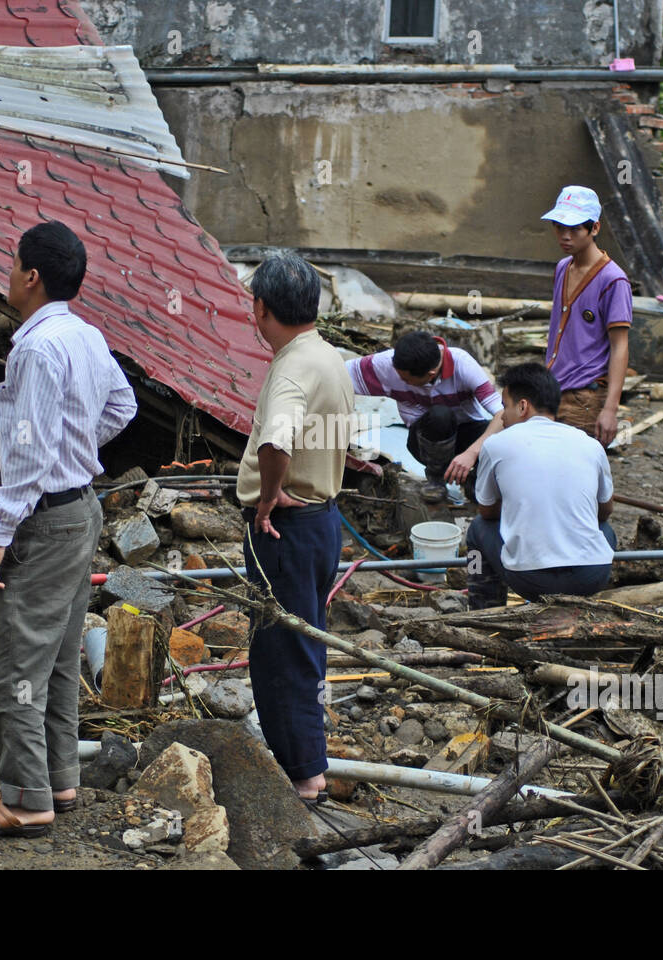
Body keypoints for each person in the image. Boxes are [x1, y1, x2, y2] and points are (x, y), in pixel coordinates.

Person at [0, 221, 137, 839]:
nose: (7, 273)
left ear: (31, 276)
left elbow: (27, 457)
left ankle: (27, 800)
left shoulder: (35, 348)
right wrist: (76, 448)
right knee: (56, 660)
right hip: (81, 510)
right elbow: (121, 408)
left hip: (45, 518)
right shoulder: (84, 333)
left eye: (12, 264)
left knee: (11, 671)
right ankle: (58, 779)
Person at [238, 252, 353, 802]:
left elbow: (275, 438)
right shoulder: (328, 356)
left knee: (282, 652)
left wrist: (266, 500)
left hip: (287, 526)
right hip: (321, 520)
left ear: (261, 308)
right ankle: (307, 763)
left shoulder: (291, 368)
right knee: (303, 643)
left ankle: (304, 776)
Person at [467, 362, 616, 609]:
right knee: (604, 530)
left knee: (477, 530)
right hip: (591, 575)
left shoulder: (496, 445)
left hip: (530, 579)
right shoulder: (590, 444)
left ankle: (483, 611)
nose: (502, 416)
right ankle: (582, 609)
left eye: (505, 407)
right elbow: (605, 511)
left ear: (523, 406)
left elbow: (487, 511)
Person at [347, 330, 503, 502]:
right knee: (440, 415)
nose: (402, 381)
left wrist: (471, 453)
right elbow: (338, 375)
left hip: (468, 433)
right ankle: (436, 479)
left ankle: (473, 478)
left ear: (430, 374)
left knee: (500, 440)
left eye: (406, 380)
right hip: (425, 440)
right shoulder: (386, 364)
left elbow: (502, 414)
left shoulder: (463, 365)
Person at [540, 186, 632, 445]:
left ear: (594, 229)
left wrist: (611, 409)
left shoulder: (613, 280)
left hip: (585, 397)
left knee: (571, 475)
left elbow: (620, 345)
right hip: (553, 388)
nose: (565, 236)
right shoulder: (563, 268)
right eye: (559, 227)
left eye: (575, 229)